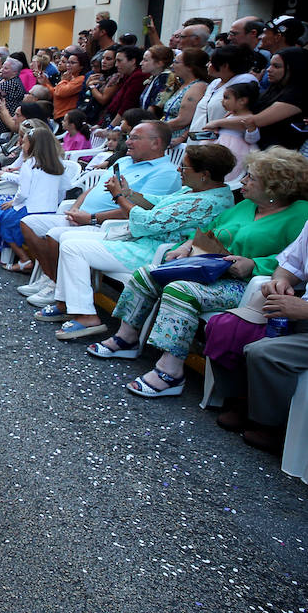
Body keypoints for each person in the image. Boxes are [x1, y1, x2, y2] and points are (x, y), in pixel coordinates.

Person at [90, 147, 308, 395]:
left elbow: (294, 260)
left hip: (245, 283)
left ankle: (170, 372)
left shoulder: (300, 214)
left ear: (274, 186)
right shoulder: (246, 206)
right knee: (147, 274)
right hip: (210, 268)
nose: (243, 181)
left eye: (251, 177)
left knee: (180, 290)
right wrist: (186, 246)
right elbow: (208, 229)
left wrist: (253, 264)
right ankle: (126, 338)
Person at [36, 143, 237, 341]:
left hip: (154, 251)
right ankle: (66, 303)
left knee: (73, 247)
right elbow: (158, 203)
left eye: (184, 167)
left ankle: (87, 315)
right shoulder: (194, 190)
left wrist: (118, 197)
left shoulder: (207, 202)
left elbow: (149, 222)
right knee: (66, 237)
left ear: (205, 174)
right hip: (142, 241)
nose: (179, 170)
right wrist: (129, 193)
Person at [18, 121, 184, 308]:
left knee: (57, 234)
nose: (128, 142)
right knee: (28, 223)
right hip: (83, 217)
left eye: (135, 138)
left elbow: (140, 212)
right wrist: (76, 207)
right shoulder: (123, 160)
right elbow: (94, 189)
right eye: (129, 137)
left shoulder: (165, 173)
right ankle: (52, 278)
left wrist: (92, 218)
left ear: (156, 143)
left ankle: (59, 289)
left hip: (107, 226)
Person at [206, 223, 308, 454]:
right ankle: (241, 399)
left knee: (264, 352)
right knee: (224, 326)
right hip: (297, 309)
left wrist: (304, 310)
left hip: (303, 313)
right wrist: (279, 281)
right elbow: (290, 265)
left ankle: (270, 425)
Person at [0, 126, 72, 270]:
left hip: (30, 208)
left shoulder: (30, 164)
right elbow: (63, 189)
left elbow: (24, 192)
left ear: (34, 145)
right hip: (50, 210)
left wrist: (14, 203)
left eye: (25, 142)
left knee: (2, 217)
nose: (22, 145)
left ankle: (21, 257)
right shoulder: (58, 165)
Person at [206, 47, 307, 152]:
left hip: (277, 155)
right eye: (270, 64)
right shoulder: (274, 89)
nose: (269, 69)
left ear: (294, 69)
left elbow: (258, 120)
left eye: (276, 66)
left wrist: (217, 123)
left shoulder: (297, 95)